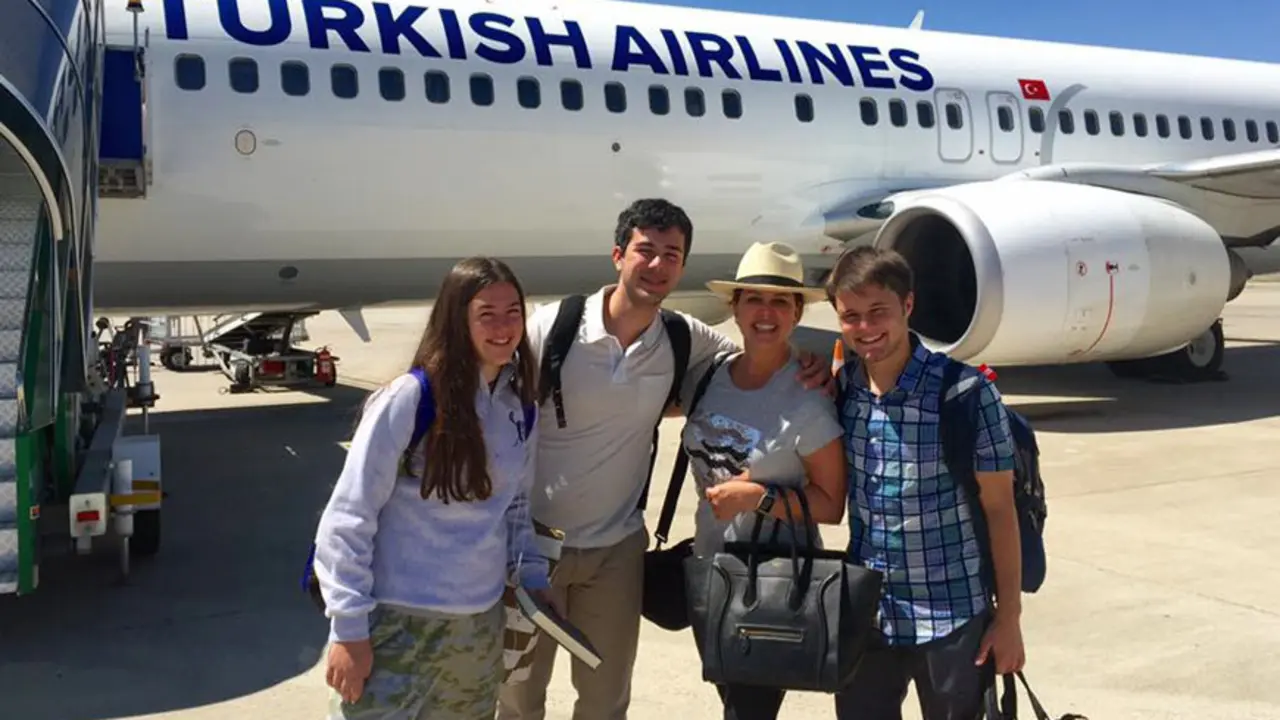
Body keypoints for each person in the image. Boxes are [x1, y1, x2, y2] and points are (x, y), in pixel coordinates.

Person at [496, 199, 832, 720]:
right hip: (533, 547)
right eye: (645, 251)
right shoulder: (553, 328)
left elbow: (756, 357)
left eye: (671, 255)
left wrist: (816, 366)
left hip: (616, 551)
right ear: (618, 255)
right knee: (518, 698)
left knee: (606, 702)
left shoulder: (682, 338)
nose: (657, 265)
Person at [313, 256, 558, 720]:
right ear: (457, 319)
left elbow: (515, 507)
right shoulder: (410, 399)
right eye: (486, 314)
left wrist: (533, 577)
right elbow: (348, 516)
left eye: (513, 312)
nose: (504, 327)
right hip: (395, 625)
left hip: (477, 630)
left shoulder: (518, 407)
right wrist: (349, 630)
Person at [825, 245, 1025, 720]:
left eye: (879, 311)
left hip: (953, 616)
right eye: (850, 316)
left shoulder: (965, 393)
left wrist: (1009, 618)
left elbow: (1000, 509)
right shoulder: (843, 390)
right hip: (870, 616)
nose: (865, 327)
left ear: (908, 305)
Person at [679, 241, 848, 720]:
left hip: (771, 582)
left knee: (747, 711)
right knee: (732, 699)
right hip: (709, 573)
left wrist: (757, 497)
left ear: (797, 313)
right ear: (735, 308)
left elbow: (831, 504)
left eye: (780, 302)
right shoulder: (708, 375)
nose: (766, 312)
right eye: (753, 299)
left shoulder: (808, 398)